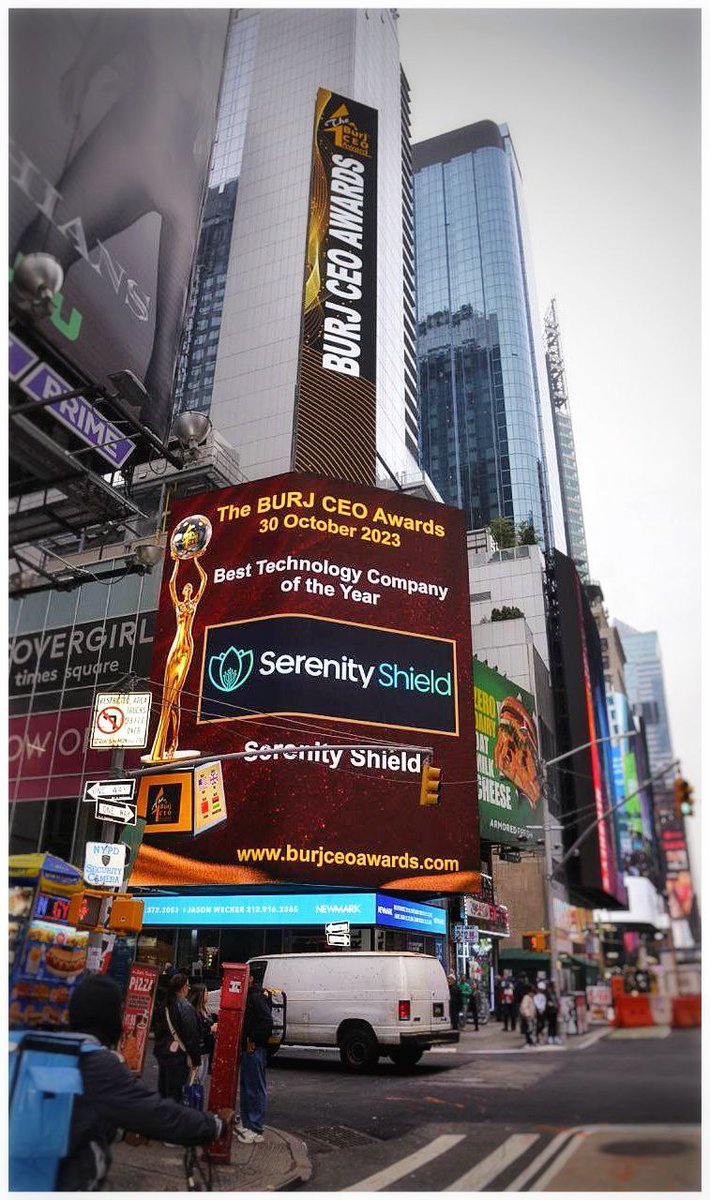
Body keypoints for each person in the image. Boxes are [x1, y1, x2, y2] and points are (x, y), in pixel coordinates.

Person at [57, 975, 232, 1191]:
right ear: (110, 1020)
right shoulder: (99, 1064)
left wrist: (119, 1132)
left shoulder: (34, 1049)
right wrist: (214, 1125)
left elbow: (72, 1114)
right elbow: (157, 1113)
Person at [154, 972, 202, 1103]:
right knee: (175, 1094)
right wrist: (196, 1060)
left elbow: (157, 1028)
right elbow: (191, 1035)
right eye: (188, 986)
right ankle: (172, 1120)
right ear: (183, 987)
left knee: (164, 1091)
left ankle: (163, 1119)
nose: (189, 989)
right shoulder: (185, 1007)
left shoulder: (164, 1004)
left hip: (163, 1052)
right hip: (178, 1056)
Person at [237, 973, 274, 1144]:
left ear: (251, 978)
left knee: (255, 1088)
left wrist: (252, 1038)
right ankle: (248, 1124)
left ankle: (255, 1128)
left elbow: (267, 1021)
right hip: (248, 1049)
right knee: (247, 1087)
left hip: (254, 1049)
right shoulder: (252, 996)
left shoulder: (255, 997)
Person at [189, 983, 218, 1087]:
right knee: (194, 1081)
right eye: (206, 993)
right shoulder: (193, 1011)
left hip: (206, 1050)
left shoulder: (204, 1009)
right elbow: (195, 1031)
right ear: (199, 995)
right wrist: (211, 1029)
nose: (207, 995)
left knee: (200, 1081)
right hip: (198, 1051)